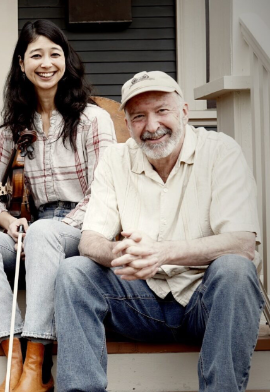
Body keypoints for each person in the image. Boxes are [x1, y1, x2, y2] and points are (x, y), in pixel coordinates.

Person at [54, 71, 266, 391]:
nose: (152, 126)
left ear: (184, 111)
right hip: (140, 301)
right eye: (139, 116)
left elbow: (242, 243)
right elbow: (90, 239)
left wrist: (162, 251)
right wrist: (121, 254)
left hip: (204, 303)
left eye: (162, 111)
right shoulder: (115, 159)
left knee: (235, 269)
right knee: (74, 271)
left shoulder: (220, 150)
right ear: (127, 124)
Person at [0, 19, 117, 392]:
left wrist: (58, 226)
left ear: (66, 61)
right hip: (36, 233)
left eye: (54, 54)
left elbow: (106, 192)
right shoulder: (15, 126)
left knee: (46, 230)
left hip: (85, 228)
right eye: (36, 55)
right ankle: (13, 359)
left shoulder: (93, 119)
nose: (46, 63)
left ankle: (37, 362)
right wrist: (8, 221)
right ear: (21, 64)